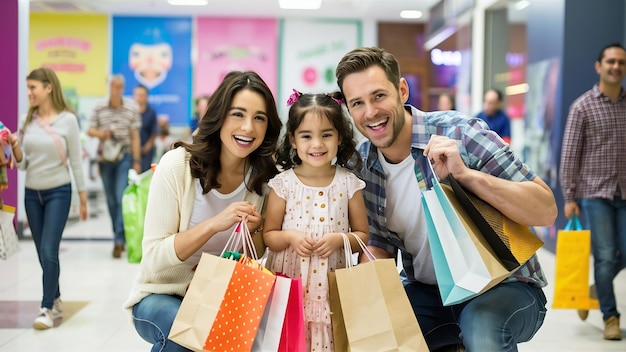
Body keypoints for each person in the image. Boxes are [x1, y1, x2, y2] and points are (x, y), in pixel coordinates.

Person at [335, 47, 557, 351]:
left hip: (505, 286)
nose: (370, 112)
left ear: (401, 90)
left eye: (378, 96)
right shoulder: (362, 166)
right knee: (379, 339)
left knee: (482, 327)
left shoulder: (461, 133)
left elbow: (545, 209)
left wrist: (466, 176)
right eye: (357, 103)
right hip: (429, 292)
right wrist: (368, 297)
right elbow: (380, 246)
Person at [123, 70, 282, 352]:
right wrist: (213, 224)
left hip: (221, 297)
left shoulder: (264, 181)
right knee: (189, 332)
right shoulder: (177, 166)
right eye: (238, 114)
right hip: (161, 295)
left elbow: (251, 255)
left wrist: (256, 230)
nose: (248, 127)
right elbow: (154, 257)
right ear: (219, 115)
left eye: (259, 118)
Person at [263, 91, 369, 351]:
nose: (317, 144)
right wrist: (290, 237)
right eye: (306, 136)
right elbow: (269, 235)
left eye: (326, 134)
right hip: (290, 288)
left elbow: (363, 236)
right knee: (289, 340)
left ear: (340, 137)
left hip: (331, 290)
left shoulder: (349, 183)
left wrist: (340, 240)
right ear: (293, 140)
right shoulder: (283, 184)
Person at [10, 67, 88, 330]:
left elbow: (76, 162)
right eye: (28, 88)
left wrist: (83, 197)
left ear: (48, 88)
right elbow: (22, 166)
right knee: (42, 254)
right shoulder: (25, 121)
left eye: (33, 87)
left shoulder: (68, 120)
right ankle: (55, 296)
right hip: (32, 194)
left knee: (48, 249)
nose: (29, 92)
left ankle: (46, 308)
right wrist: (16, 148)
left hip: (59, 192)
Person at [559, 42, 626, 341]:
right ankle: (611, 317)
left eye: (621, 62)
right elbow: (570, 154)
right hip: (594, 193)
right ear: (599, 66)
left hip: (624, 192)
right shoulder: (582, 106)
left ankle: (595, 289)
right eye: (611, 61)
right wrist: (569, 197)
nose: (616, 66)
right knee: (604, 257)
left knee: (620, 254)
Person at [87, 74, 141, 258]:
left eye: (119, 86)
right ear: (110, 87)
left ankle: (119, 240)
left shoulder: (131, 107)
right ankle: (117, 234)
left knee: (120, 197)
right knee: (110, 201)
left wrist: (136, 160)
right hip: (105, 159)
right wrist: (103, 134)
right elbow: (90, 129)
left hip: (124, 157)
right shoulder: (99, 106)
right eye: (113, 86)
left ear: (122, 88)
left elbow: (135, 135)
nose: (116, 89)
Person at [133, 84, 158, 172]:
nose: (139, 97)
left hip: (146, 152)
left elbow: (153, 133)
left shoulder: (151, 112)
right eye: (137, 94)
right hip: (130, 152)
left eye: (141, 95)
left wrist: (145, 149)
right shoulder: (130, 112)